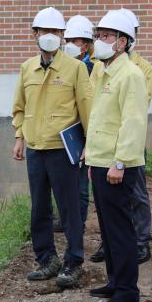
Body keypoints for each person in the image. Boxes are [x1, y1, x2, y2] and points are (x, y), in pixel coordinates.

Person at [12, 7, 93, 288]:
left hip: (62, 149)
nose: (50, 36)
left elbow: (87, 109)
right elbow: (19, 107)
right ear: (34, 35)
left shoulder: (76, 68)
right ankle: (47, 259)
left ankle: (74, 262)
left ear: (63, 36)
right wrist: (19, 137)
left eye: (56, 32)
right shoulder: (27, 68)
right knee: (39, 208)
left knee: (69, 208)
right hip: (35, 148)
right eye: (44, 31)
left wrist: (89, 145)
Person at [86, 10, 148, 302]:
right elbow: (99, 118)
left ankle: (127, 291)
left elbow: (133, 123)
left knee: (121, 228)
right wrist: (91, 157)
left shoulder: (131, 75)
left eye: (107, 37)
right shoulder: (104, 72)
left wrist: (120, 162)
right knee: (108, 228)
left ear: (123, 43)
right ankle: (114, 280)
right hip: (101, 161)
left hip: (118, 164)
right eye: (99, 36)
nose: (100, 41)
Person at [63, 15, 96, 228]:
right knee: (66, 182)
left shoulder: (93, 68)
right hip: (68, 131)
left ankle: (80, 222)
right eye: (68, 41)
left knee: (82, 184)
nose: (70, 46)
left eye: (75, 41)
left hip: (86, 131)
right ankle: (67, 219)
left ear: (85, 45)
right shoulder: (63, 67)